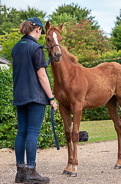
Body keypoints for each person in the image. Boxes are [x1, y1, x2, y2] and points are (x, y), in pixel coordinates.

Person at [11, 17, 57, 183]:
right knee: (32, 133)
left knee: (21, 132)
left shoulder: (16, 48)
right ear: (37, 29)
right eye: (40, 32)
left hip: (19, 96)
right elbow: (42, 76)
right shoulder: (36, 48)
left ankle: (20, 172)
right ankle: (31, 171)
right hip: (35, 97)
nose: (40, 35)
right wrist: (51, 98)